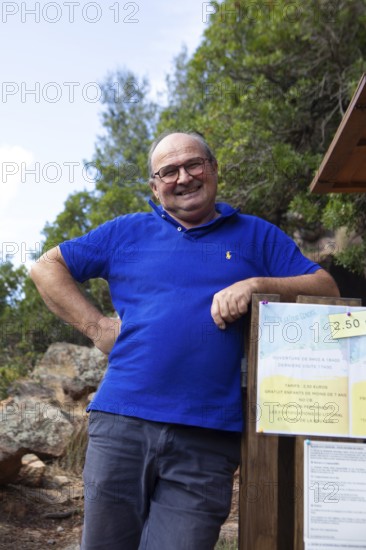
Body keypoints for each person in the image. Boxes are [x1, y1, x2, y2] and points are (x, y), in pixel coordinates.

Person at [30, 131, 340, 550]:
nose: (183, 177)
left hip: (208, 437)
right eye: (168, 171)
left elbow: (326, 288)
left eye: (193, 164)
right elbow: (47, 267)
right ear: (155, 187)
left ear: (213, 170)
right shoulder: (126, 232)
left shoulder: (257, 236)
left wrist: (255, 284)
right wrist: (98, 328)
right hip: (123, 422)